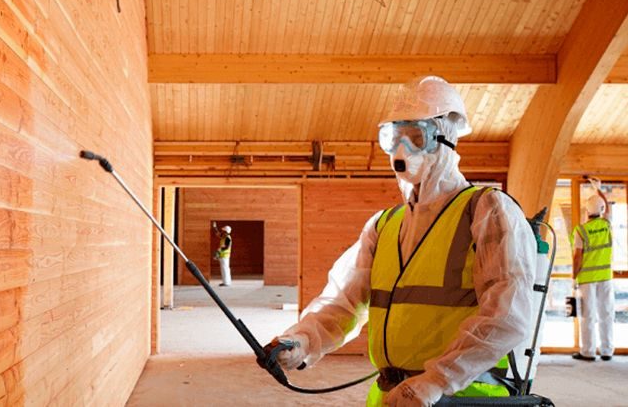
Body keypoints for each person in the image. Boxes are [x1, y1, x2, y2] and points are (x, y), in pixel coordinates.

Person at [272, 76, 536, 406]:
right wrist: (302, 341)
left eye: (416, 136)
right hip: (391, 395)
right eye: (393, 137)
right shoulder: (385, 225)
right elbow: (343, 301)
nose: (402, 149)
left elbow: (507, 316)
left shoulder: (486, 210)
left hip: (461, 396)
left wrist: (437, 380)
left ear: (446, 137)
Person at [571, 179, 614, 362]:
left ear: (587, 211)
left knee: (588, 316)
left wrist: (573, 277)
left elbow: (578, 257)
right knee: (606, 314)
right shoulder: (606, 225)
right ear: (602, 210)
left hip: (587, 279)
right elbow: (607, 209)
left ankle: (588, 352)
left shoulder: (581, 230)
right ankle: (607, 351)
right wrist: (599, 189)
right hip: (605, 277)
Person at [213, 222, 233, 287]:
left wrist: (219, 250)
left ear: (226, 231)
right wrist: (215, 227)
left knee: (225, 269)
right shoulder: (224, 237)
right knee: (224, 269)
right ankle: (226, 282)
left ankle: (226, 282)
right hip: (222, 255)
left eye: (223, 230)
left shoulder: (227, 238)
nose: (222, 231)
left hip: (225, 256)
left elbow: (227, 247)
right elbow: (217, 234)